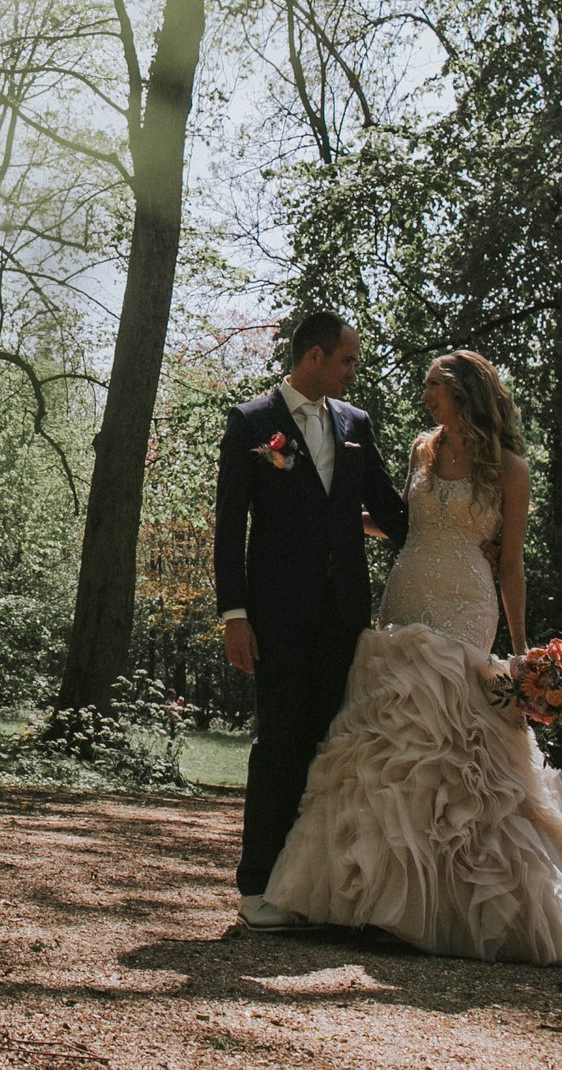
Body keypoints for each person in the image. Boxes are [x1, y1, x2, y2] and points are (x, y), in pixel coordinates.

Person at [263, 350, 562, 967]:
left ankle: (452, 903)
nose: (425, 395)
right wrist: (329, 519)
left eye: (434, 386)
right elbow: (402, 523)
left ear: (464, 391)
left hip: (466, 602)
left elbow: (510, 561)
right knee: (388, 737)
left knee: (455, 742)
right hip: (406, 593)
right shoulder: (421, 449)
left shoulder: (509, 467)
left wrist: (520, 649)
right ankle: (375, 899)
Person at [211, 311, 408, 933]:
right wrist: (235, 615)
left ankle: (311, 887)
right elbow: (229, 529)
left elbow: (388, 511)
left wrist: (460, 536)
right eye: (347, 360)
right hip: (275, 615)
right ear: (316, 357)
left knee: (332, 747)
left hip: (344, 614)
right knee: (278, 744)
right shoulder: (252, 423)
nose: (353, 371)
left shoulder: (356, 425)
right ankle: (255, 887)